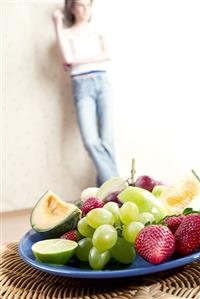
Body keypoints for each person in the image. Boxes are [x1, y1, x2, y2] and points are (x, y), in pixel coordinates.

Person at [52, 0, 119, 186]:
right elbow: (66, 58)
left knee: (108, 142)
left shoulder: (98, 29)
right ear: (72, 8)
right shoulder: (66, 33)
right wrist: (56, 25)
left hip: (102, 82)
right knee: (91, 141)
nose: (85, 9)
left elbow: (106, 55)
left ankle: (106, 195)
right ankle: (119, 186)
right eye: (81, 5)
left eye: (88, 5)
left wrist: (77, 60)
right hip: (81, 85)